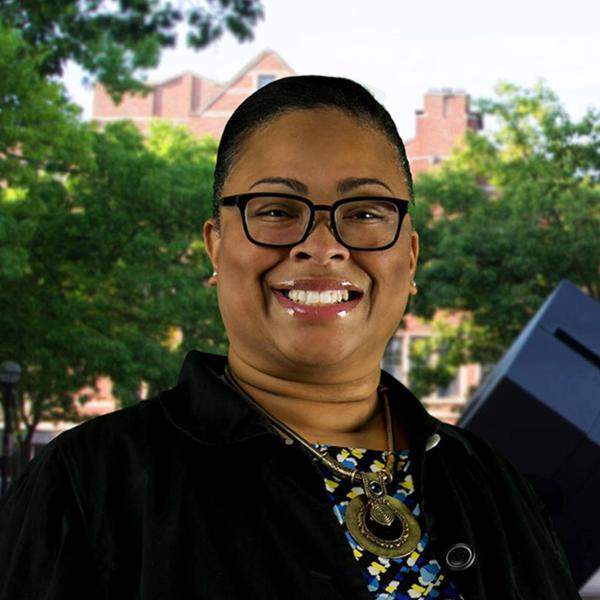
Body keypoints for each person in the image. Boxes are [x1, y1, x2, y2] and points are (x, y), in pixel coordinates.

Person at [0, 76, 580, 600]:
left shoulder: (492, 482)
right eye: (276, 210)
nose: (322, 247)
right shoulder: (88, 486)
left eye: (364, 213)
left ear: (409, 257)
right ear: (216, 247)